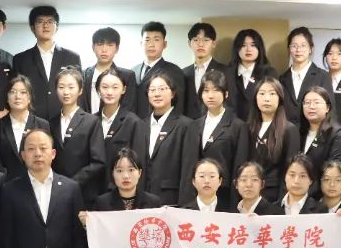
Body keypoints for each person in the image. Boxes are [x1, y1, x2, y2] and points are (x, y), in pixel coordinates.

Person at [0, 129, 86, 248]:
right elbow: (6, 237)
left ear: (53, 153)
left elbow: (77, 235)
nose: (38, 153)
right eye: (31, 149)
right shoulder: (10, 190)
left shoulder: (71, 188)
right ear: (23, 155)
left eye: (43, 148)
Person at [178, 69, 248, 206]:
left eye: (216, 90)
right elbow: (187, 166)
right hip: (195, 195)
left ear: (226, 94)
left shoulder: (238, 126)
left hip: (223, 195)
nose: (210, 95)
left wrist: (236, 203)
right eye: (206, 91)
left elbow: (239, 167)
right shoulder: (193, 125)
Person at [12, 6, 82, 120]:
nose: (45, 26)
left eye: (50, 22)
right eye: (40, 22)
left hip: (65, 118)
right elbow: (16, 91)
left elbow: (79, 90)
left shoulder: (72, 57)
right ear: (32, 28)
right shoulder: (20, 59)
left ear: (56, 27)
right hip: (31, 119)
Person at [49, 67, 105, 204]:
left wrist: (72, 182)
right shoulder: (51, 122)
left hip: (84, 191)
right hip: (55, 190)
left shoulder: (91, 121)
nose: (66, 92)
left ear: (80, 90)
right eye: (61, 87)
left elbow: (98, 161)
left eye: (71, 87)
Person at [299, 85, 341, 202]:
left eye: (316, 102)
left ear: (328, 107)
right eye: (307, 103)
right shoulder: (299, 133)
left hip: (330, 201)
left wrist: (304, 197)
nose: (311, 106)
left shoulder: (339, 136)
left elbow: (331, 173)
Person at [0, 74, 49, 178]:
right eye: (12, 92)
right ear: (7, 97)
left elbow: (46, 157)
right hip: (4, 184)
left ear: (29, 98)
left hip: (35, 182)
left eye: (23, 92)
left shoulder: (42, 125)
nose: (17, 96)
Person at [247, 78, 299, 204]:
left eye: (272, 94)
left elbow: (290, 169)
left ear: (280, 98)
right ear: (255, 98)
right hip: (248, 193)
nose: (267, 98)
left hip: (273, 196)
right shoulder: (247, 128)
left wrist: (281, 201)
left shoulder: (289, 130)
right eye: (262, 93)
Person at [95, 70, 148, 191]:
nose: (109, 92)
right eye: (105, 87)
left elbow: (139, 164)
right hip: (93, 191)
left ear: (123, 89)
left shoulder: (134, 122)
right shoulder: (91, 121)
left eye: (115, 87)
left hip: (121, 190)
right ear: (98, 89)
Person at [143, 74, 191, 206]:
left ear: (173, 93)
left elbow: (188, 169)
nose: (157, 94)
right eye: (152, 90)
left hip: (171, 199)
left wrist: (185, 204)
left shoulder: (185, 125)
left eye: (162, 89)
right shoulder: (141, 124)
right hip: (143, 199)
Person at [279, 27, 332, 126]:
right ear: (289, 49)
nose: (298, 50)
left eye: (303, 45)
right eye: (294, 46)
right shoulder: (282, 78)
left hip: (313, 131)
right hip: (286, 132)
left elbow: (330, 111)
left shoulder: (323, 76)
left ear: (311, 49)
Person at [134, 21, 187, 119]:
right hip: (135, 124)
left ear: (164, 44)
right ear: (141, 43)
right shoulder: (133, 71)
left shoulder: (174, 71)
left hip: (161, 124)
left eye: (156, 40)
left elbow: (178, 106)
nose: (151, 44)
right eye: (147, 40)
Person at [224, 28, 278, 122]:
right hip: (231, 125)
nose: (248, 49)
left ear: (259, 49)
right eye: (243, 45)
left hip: (259, 125)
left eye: (253, 45)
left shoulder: (269, 73)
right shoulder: (226, 73)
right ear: (237, 49)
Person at [80, 27, 137, 115]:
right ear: (93, 47)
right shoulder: (82, 74)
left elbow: (128, 107)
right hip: (87, 122)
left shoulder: (127, 76)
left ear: (117, 48)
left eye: (110, 45)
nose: (104, 50)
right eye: (100, 44)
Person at [88, 147, 163, 212]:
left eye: (131, 170)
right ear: (112, 173)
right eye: (119, 171)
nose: (126, 176)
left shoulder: (153, 202)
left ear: (139, 173)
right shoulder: (102, 203)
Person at [182, 22, 229, 119]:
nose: (200, 44)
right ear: (189, 43)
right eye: (196, 40)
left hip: (216, 123)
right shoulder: (183, 73)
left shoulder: (225, 71)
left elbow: (231, 103)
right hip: (188, 125)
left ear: (213, 44)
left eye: (206, 40)